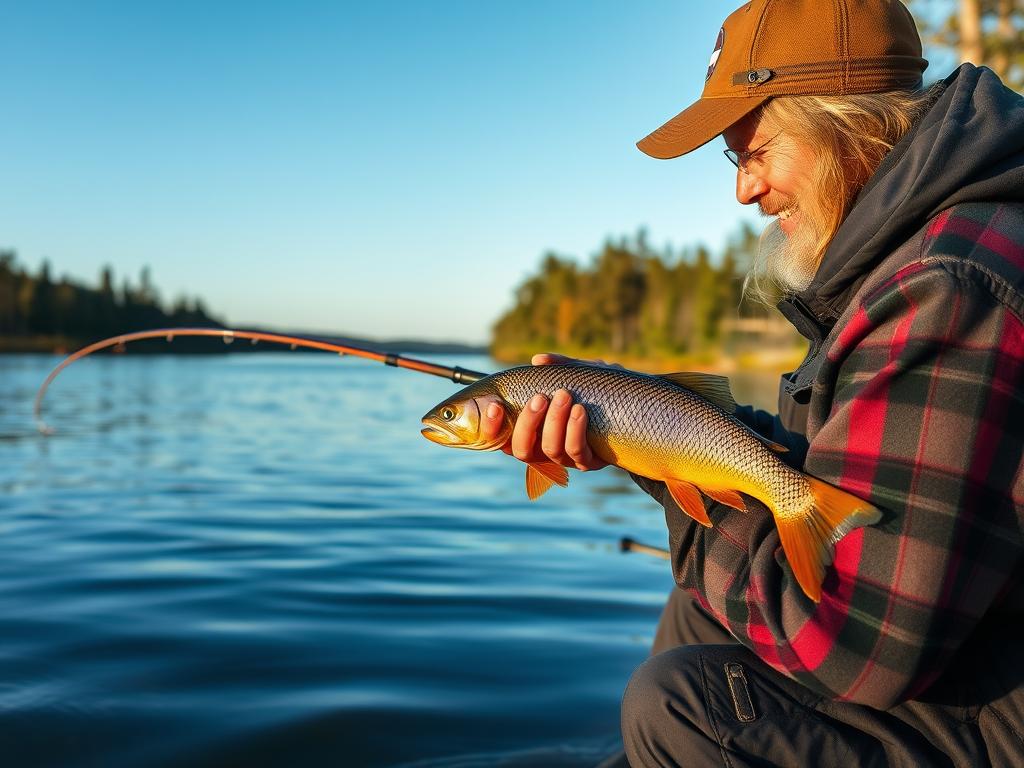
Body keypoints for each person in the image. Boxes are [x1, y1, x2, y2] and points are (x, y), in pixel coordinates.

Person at [481, 0, 1024, 765]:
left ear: (849, 126)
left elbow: (859, 644)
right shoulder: (924, 254)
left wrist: (659, 460)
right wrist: (642, 414)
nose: (744, 192)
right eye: (735, 161)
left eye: (756, 152)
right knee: (702, 612)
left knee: (682, 708)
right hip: (973, 641)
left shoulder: (948, 288)